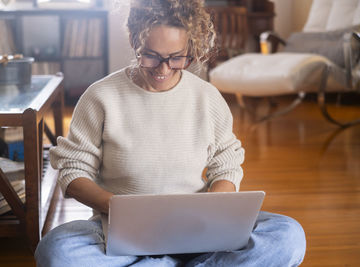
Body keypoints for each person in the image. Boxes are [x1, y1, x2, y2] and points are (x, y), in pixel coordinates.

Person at [34, 0, 306, 266]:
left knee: (289, 235)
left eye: (176, 58)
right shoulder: (100, 96)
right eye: (150, 55)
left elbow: (226, 164)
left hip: (198, 232)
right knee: (56, 252)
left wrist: (213, 211)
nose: (163, 69)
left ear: (190, 47)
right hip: (120, 233)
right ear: (133, 40)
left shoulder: (207, 97)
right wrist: (121, 210)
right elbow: (73, 172)